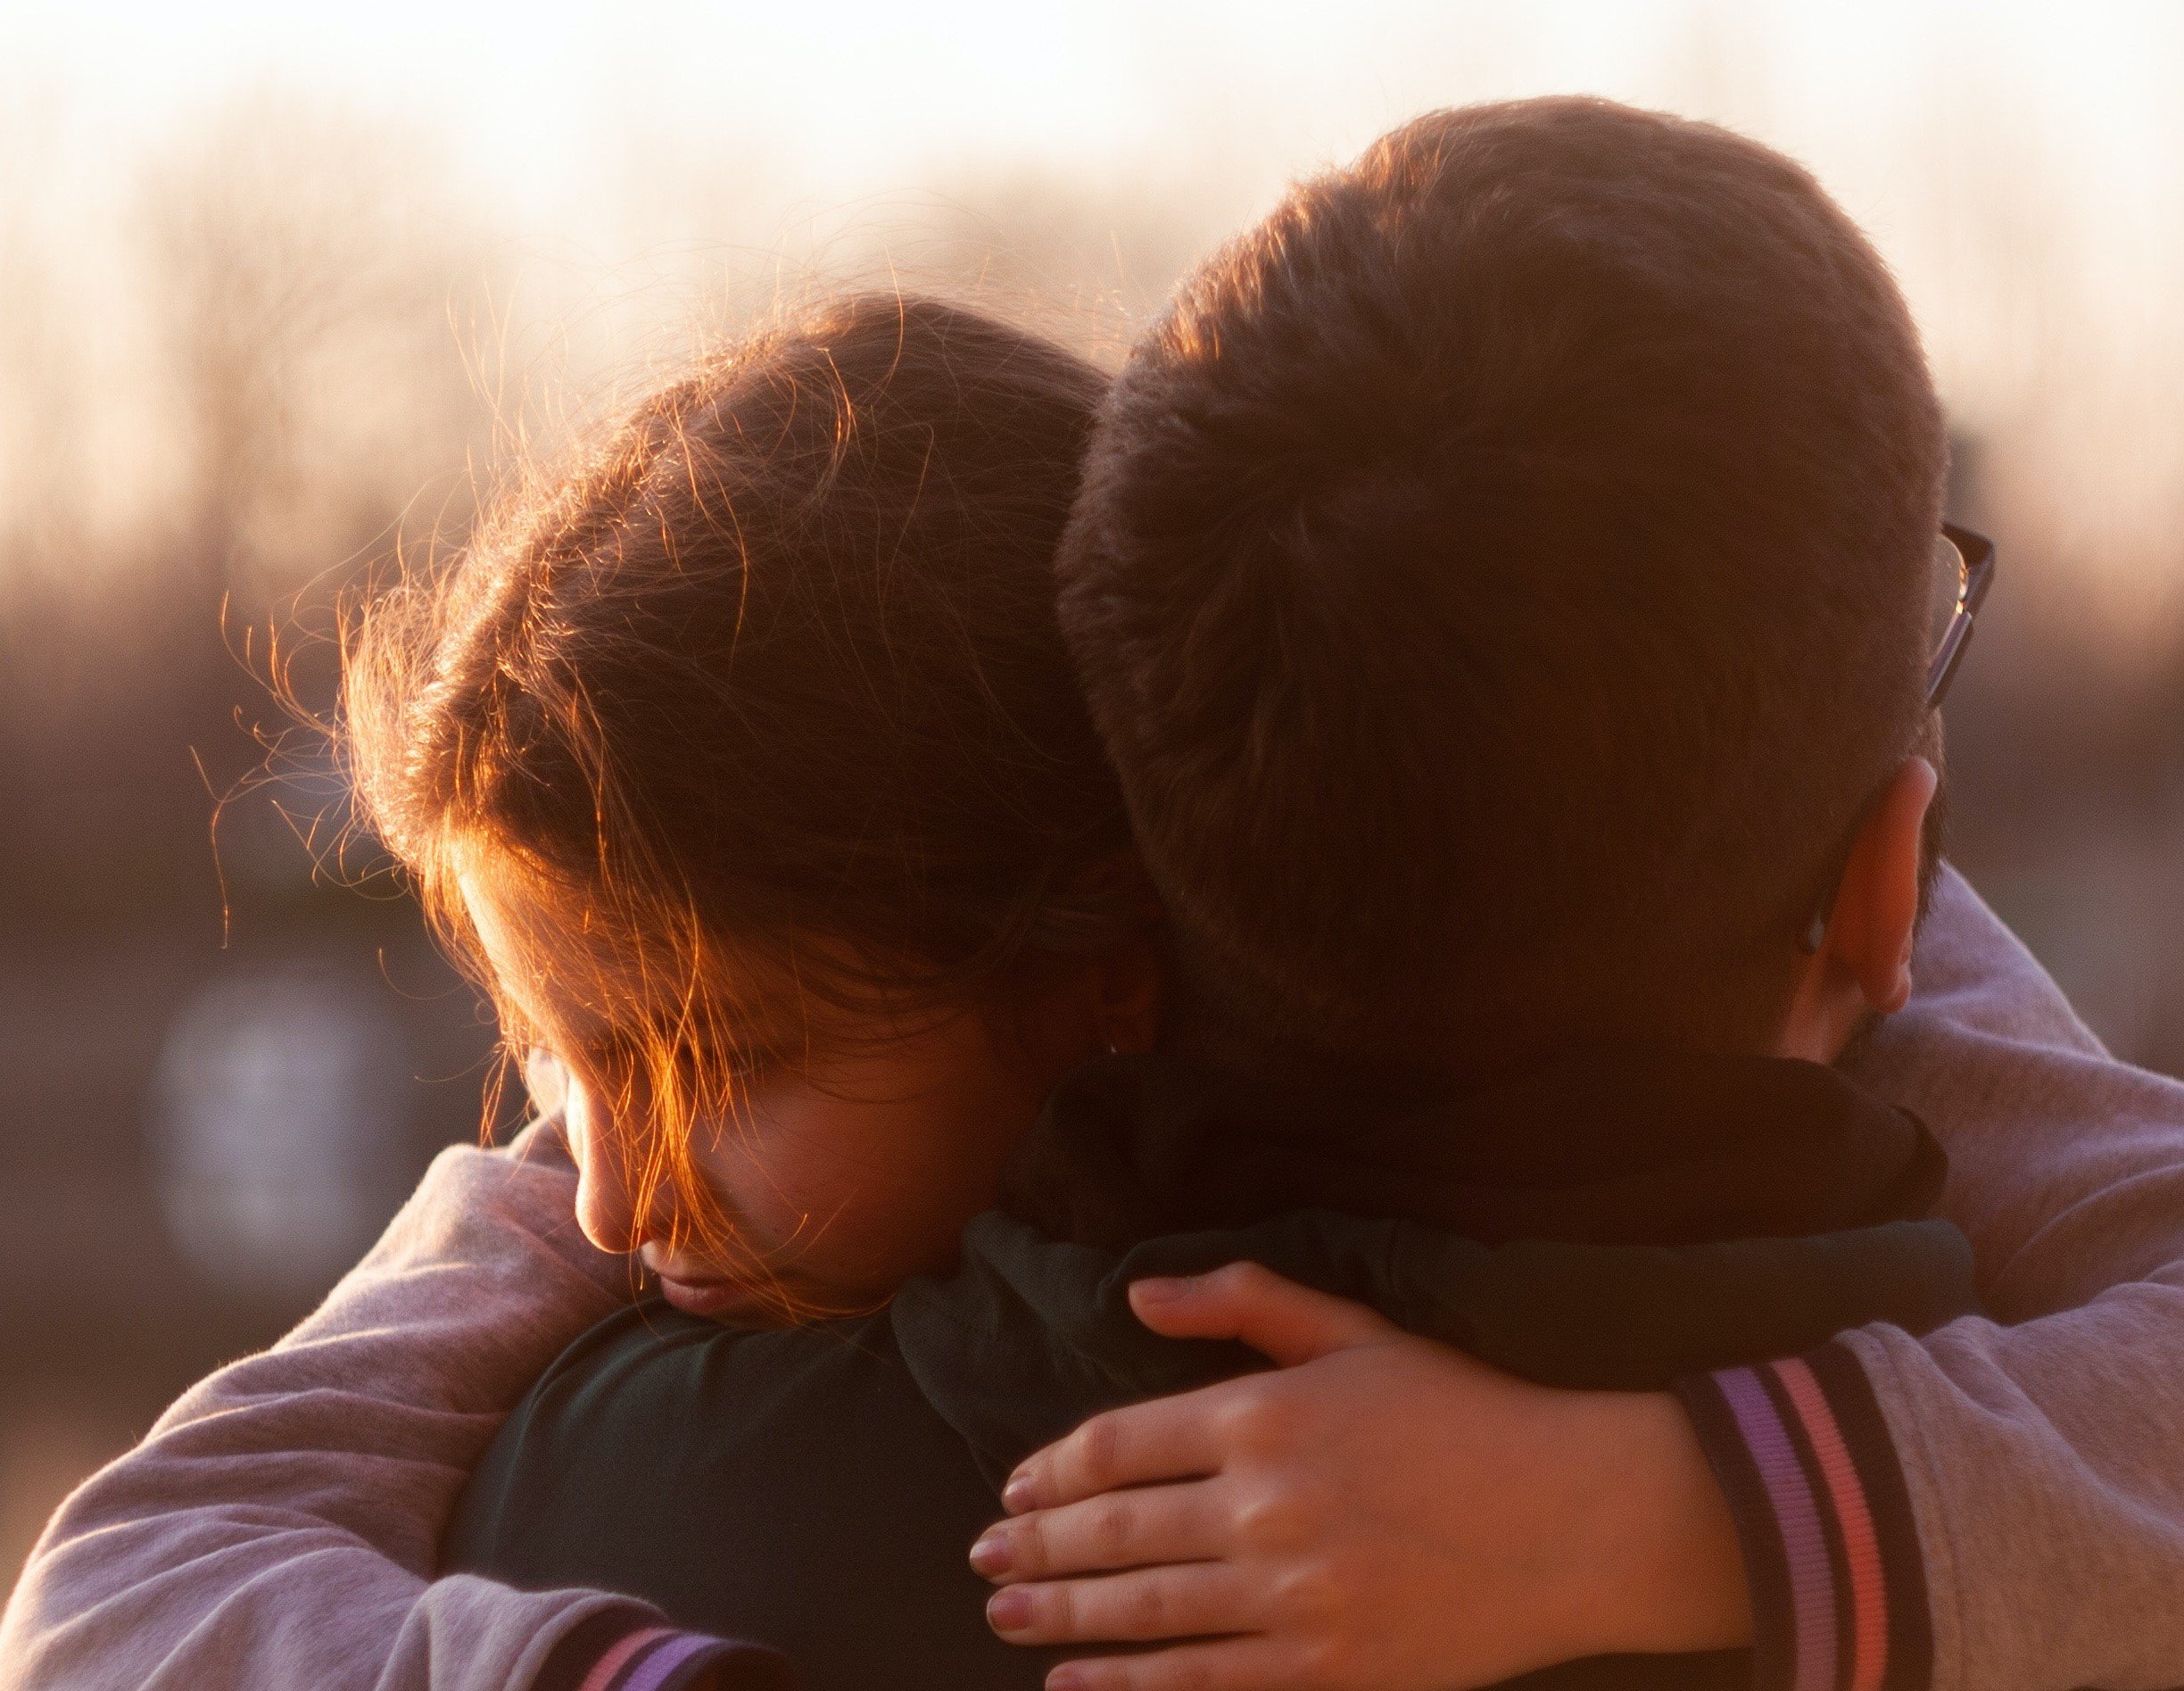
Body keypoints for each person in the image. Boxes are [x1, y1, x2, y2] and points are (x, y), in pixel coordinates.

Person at [4, 99, 2182, 1691]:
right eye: (562, 1078)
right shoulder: (1977, 1362)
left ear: (1103, 943)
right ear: (1883, 883)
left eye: (711, 1058)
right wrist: (1676, 1511)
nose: (594, 1186)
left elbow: (113, 1596)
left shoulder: (630, 1495)